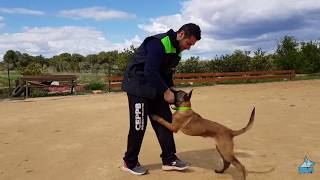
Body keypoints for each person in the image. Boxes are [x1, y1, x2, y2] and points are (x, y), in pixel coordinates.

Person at [121, 23, 201, 175]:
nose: (189, 47)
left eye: (192, 45)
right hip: (138, 85)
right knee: (139, 126)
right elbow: (149, 70)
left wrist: (171, 89)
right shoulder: (157, 43)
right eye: (188, 43)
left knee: (165, 121)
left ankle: (169, 159)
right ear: (181, 34)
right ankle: (129, 162)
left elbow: (165, 74)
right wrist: (166, 91)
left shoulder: (177, 51)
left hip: (155, 86)